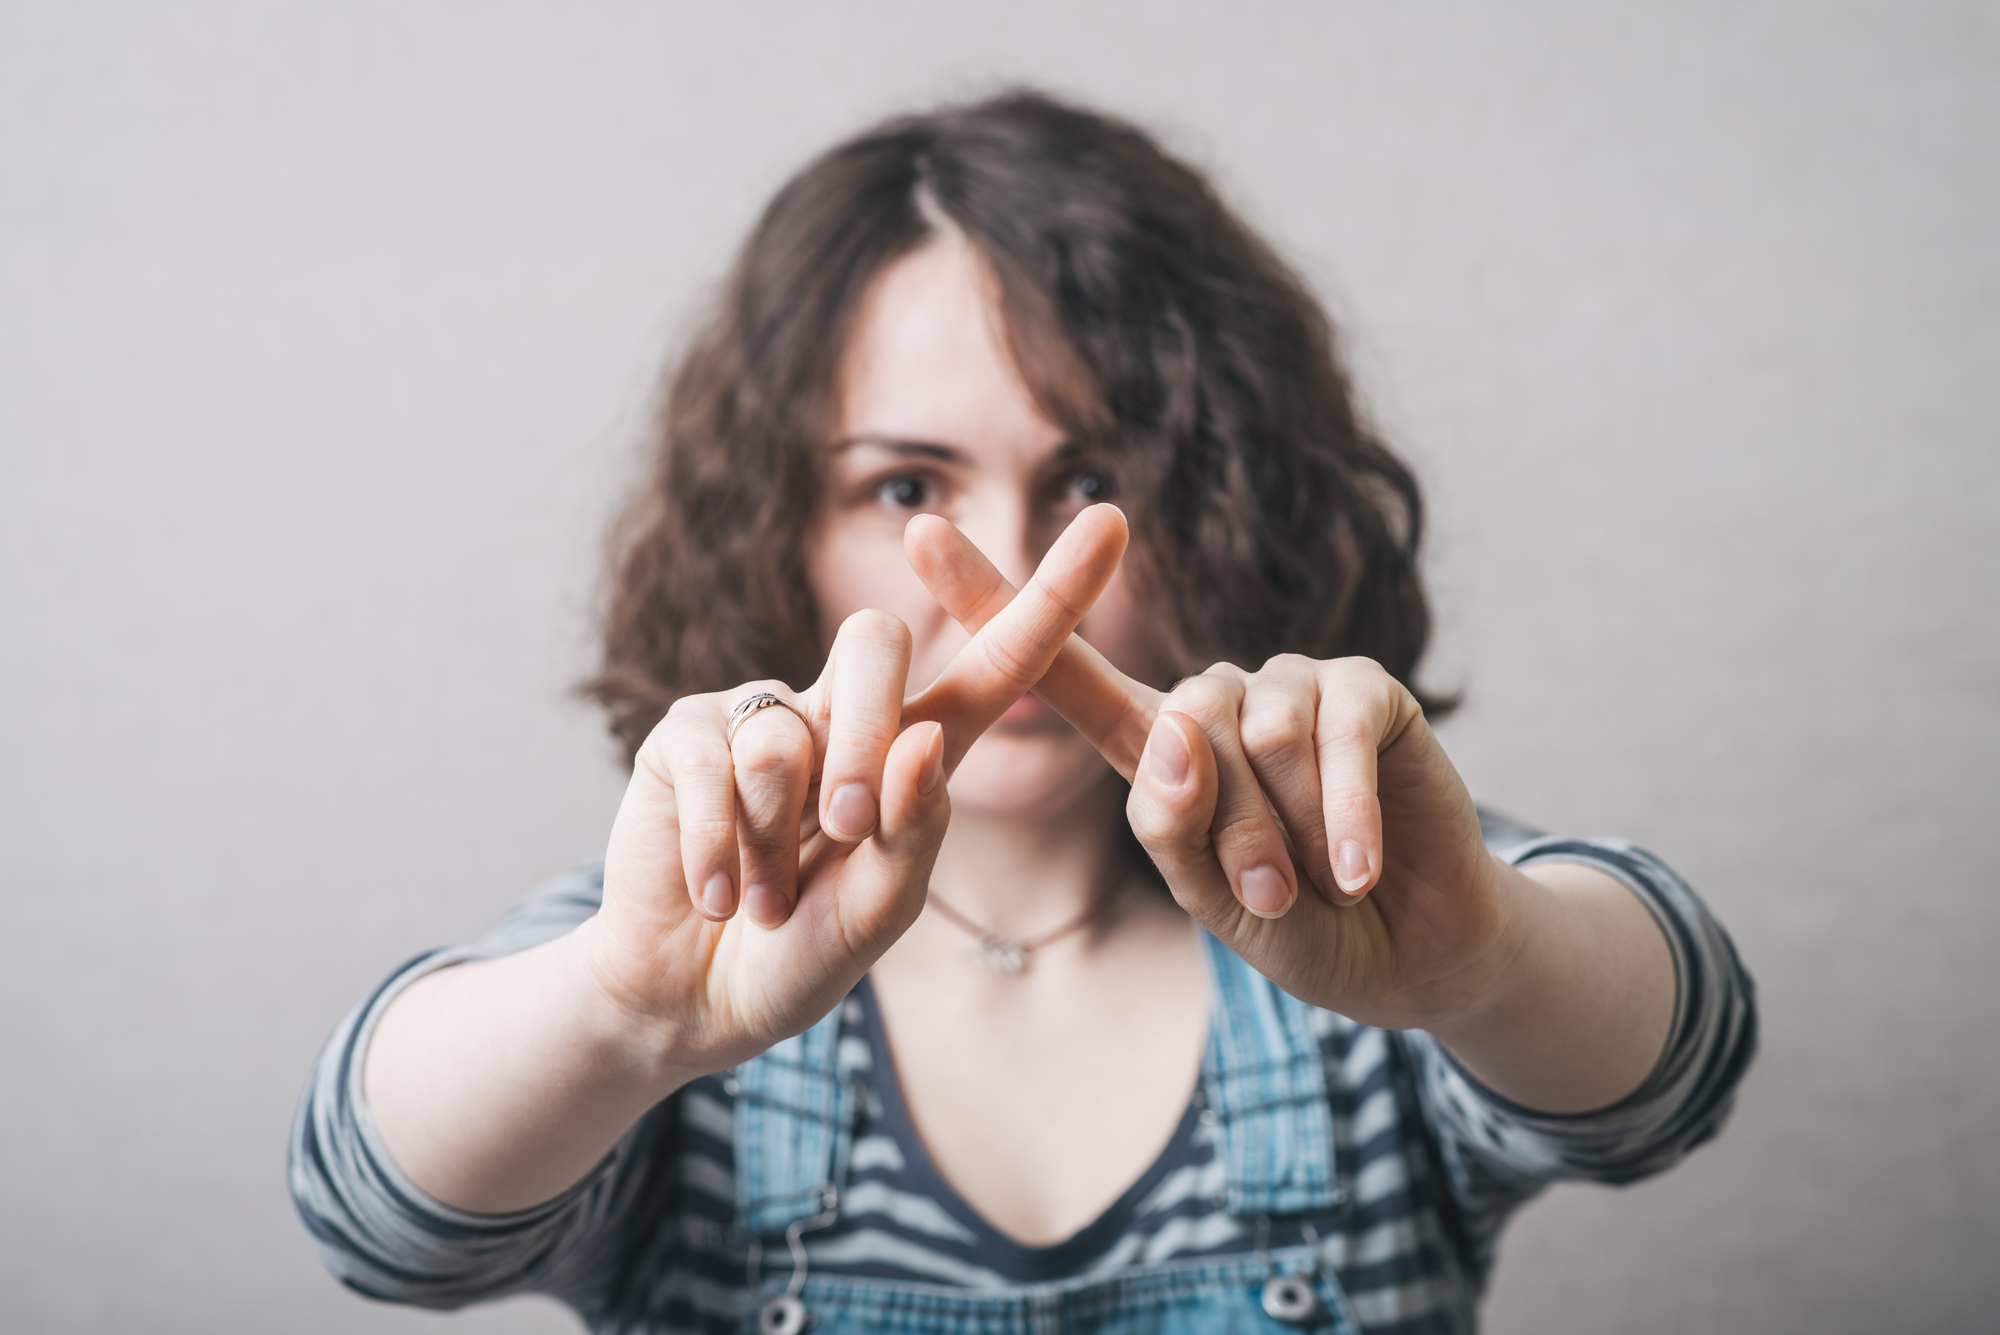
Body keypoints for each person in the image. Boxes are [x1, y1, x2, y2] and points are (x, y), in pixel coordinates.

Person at [291, 91, 1754, 1335]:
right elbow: (381, 1224)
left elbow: (1671, 1079)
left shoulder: (1365, 914)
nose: (1006, 592)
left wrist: (1483, 962)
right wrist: (622, 1015)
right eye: (907, 489)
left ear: (1220, 502)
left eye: (1092, 481)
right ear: (777, 532)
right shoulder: (677, 952)